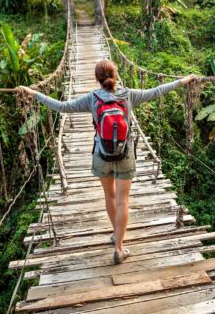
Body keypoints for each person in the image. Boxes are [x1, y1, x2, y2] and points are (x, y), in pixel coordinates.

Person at [18, 60, 196, 264]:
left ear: (96, 79)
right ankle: (119, 247)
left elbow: (62, 107)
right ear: (116, 75)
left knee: (109, 196)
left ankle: (115, 235)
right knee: (123, 200)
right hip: (125, 153)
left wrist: (34, 94)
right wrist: (183, 81)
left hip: (101, 153)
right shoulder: (128, 94)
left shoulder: (92, 99)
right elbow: (156, 91)